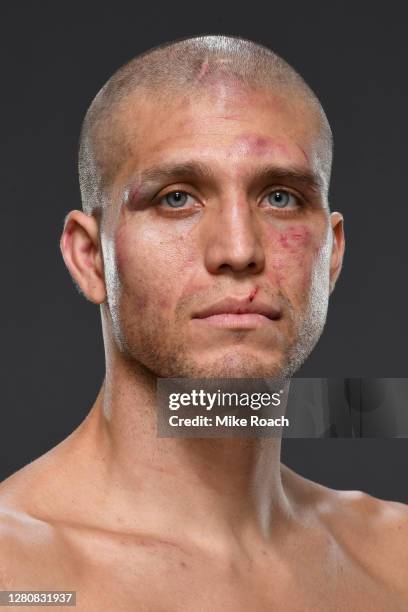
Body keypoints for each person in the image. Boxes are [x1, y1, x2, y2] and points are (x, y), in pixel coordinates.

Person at [0, 35, 407, 611]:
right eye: (176, 198)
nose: (239, 249)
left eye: (282, 197)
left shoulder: (395, 560)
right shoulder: (16, 579)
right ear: (91, 258)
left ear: (332, 254)